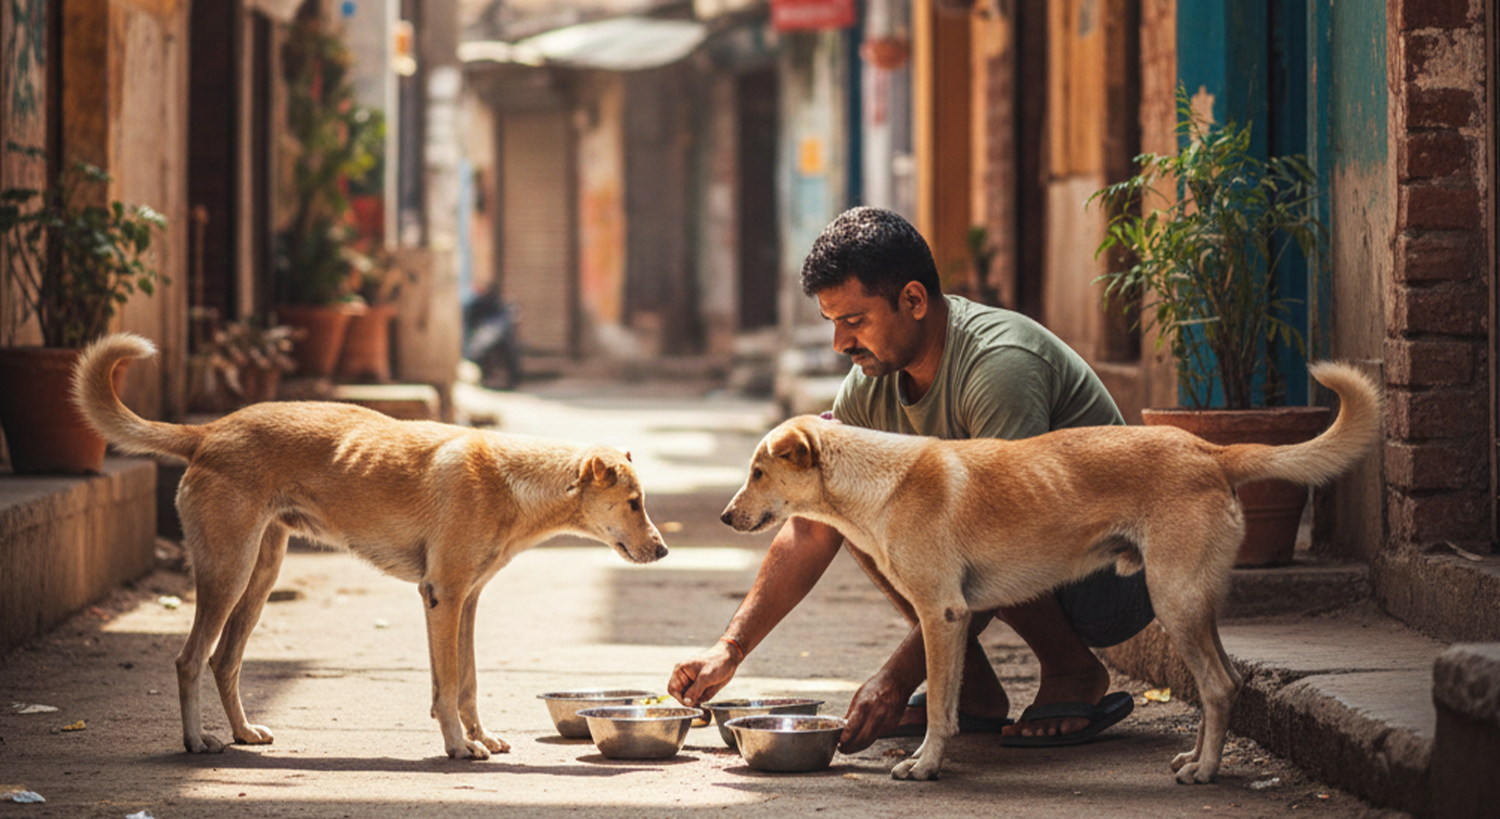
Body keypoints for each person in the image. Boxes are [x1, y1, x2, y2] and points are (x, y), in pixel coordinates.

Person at [668, 206, 1155, 753]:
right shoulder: (868, 384)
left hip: (1112, 573)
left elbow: (996, 536)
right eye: (832, 323)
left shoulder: (998, 366)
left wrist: (897, 679)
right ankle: (969, 691)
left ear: (915, 301)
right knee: (848, 508)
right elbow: (811, 529)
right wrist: (729, 649)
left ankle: (1072, 673)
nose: (840, 344)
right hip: (1019, 558)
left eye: (854, 321)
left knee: (977, 525)